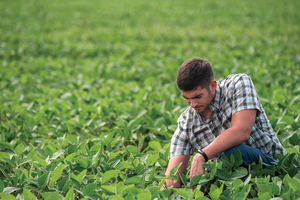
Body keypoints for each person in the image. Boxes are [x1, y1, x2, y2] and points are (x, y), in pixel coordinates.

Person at [161, 58, 286, 190]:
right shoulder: (186, 122)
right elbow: (171, 179)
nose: (193, 104)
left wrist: (202, 155)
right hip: (225, 175)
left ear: (212, 86)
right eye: (187, 98)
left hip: (269, 164)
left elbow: (241, 131)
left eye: (198, 97)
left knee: (233, 152)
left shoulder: (239, 84)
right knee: (186, 184)